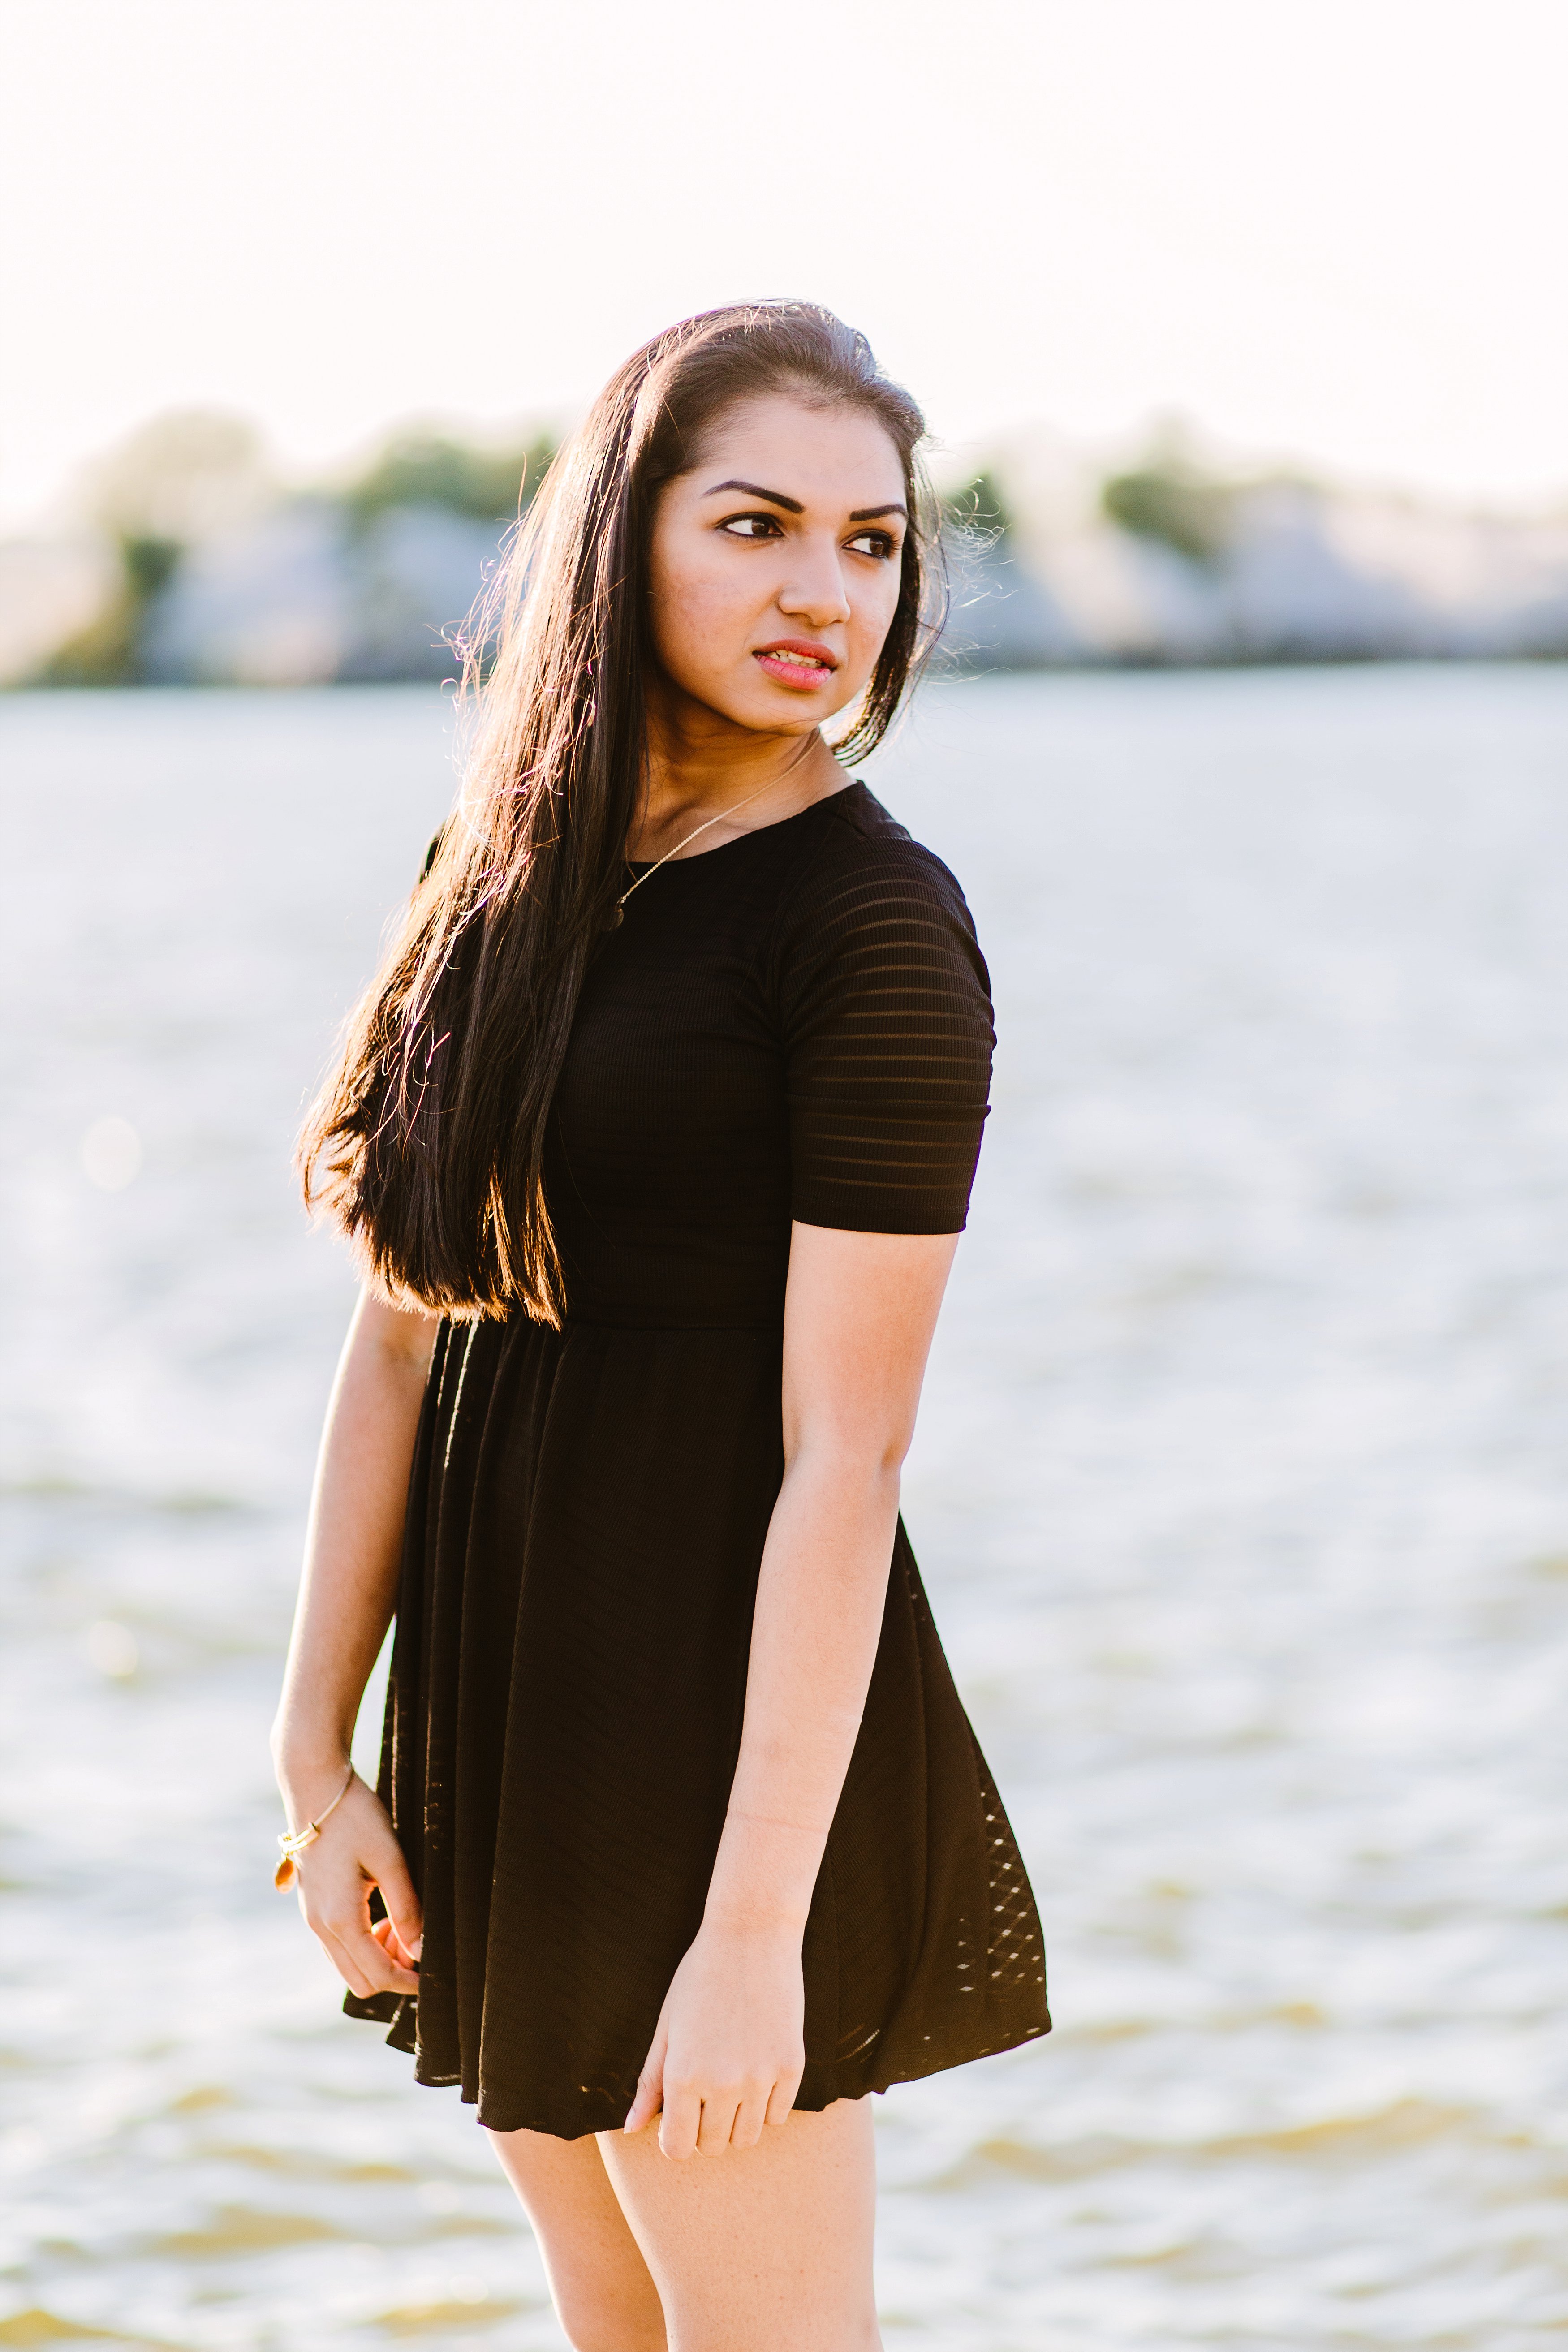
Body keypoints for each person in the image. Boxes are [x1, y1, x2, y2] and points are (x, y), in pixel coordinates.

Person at [275, 301, 1047, 2352]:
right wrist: (316, 1752)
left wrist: (749, 1927)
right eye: (760, 523)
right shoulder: (497, 874)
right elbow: (404, 1331)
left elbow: (844, 1456)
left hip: (729, 1745)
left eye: (872, 543)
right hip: (507, 1701)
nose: (825, 591)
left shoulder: (869, 927)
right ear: (623, 542)